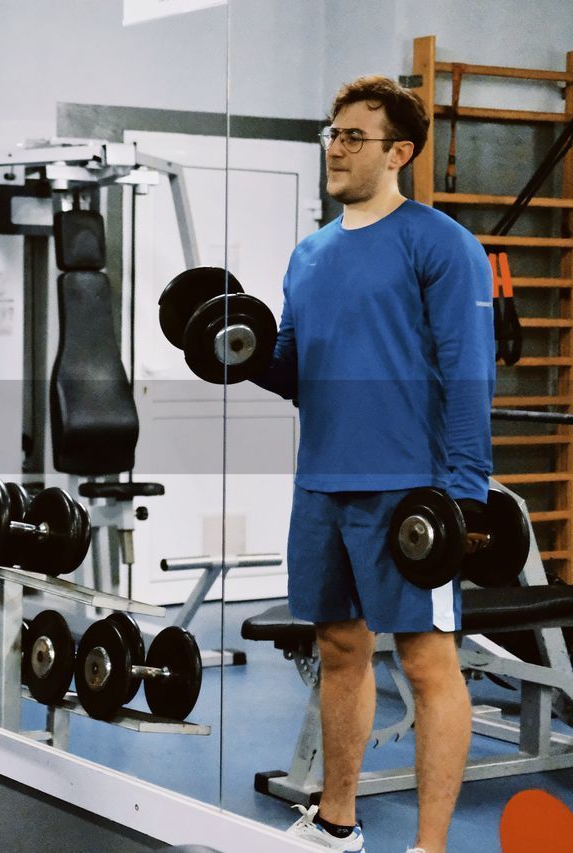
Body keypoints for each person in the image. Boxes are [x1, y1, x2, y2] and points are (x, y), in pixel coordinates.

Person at [253, 76, 494, 853]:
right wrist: (236, 353)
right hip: (322, 480)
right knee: (339, 650)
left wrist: (464, 494)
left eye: (355, 136)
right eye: (332, 133)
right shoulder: (309, 254)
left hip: (408, 489)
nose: (337, 147)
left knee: (427, 663)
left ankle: (429, 847)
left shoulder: (440, 243)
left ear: (401, 151)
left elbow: (467, 372)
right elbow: (292, 370)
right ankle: (338, 820)